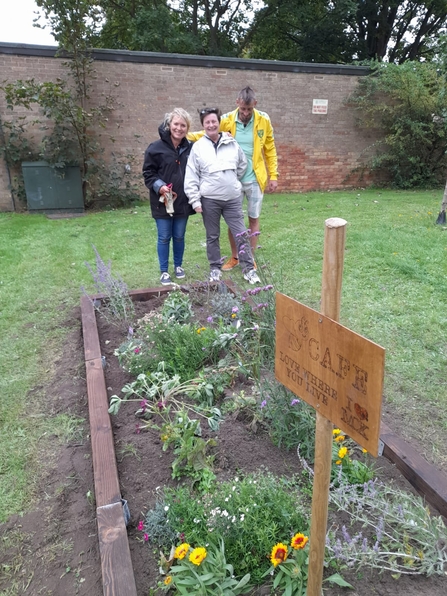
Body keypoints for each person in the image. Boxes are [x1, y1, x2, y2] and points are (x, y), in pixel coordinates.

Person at [184, 108, 260, 284]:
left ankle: (248, 269)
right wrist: (195, 200)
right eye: (207, 122)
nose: (211, 125)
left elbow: (242, 165)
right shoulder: (198, 147)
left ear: (219, 123)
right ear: (203, 126)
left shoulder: (231, 143)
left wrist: (231, 181)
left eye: (213, 121)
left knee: (241, 233)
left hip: (232, 199)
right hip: (209, 200)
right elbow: (191, 176)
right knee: (212, 235)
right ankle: (215, 268)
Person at [219, 86, 278, 271]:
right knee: (233, 219)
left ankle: (250, 258)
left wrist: (273, 176)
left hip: (254, 179)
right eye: (243, 109)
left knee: (253, 218)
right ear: (237, 103)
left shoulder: (264, 120)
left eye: (249, 109)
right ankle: (236, 256)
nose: (245, 113)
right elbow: (209, 136)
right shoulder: (226, 120)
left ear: (255, 104)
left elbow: (270, 149)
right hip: (233, 180)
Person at [142, 108, 195, 286]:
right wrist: (160, 186)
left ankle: (178, 266)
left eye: (183, 125)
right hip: (163, 202)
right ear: (169, 125)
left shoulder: (191, 148)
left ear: (187, 128)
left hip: (182, 202)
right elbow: (148, 173)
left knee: (179, 236)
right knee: (164, 237)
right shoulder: (155, 148)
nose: (179, 128)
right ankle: (164, 271)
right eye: (176, 124)